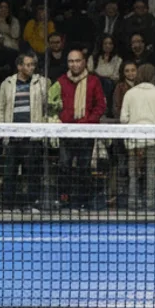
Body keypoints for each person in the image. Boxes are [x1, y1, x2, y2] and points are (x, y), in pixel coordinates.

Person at [50, 49, 107, 210]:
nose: (74, 64)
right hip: (66, 133)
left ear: (84, 62)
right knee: (64, 166)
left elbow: (100, 106)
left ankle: (83, 201)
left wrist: (86, 122)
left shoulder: (94, 81)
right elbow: (53, 105)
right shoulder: (60, 81)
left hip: (86, 132)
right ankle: (64, 199)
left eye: (77, 60)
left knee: (84, 168)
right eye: (71, 61)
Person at [0, 53, 52, 211]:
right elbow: (0, 108)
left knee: (32, 174)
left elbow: (48, 107)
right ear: (19, 66)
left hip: (32, 137)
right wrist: (2, 130)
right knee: (9, 174)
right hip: (12, 137)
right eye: (27, 65)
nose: (31, 68)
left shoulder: (41, 83)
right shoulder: (7, 83)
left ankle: (30, 204)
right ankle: (8, 205)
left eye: (33, 65)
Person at [119, 63, 155, 210]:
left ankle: (132, 203)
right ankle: (150, 203)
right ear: (153, 76)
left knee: (133, 175)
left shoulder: (130, 94)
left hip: (133, 141)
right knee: (150, 175)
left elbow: (123, 119)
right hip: (154, 141)